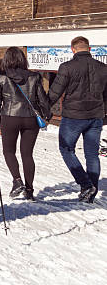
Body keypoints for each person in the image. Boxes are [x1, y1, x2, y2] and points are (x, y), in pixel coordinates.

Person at [48, 36, 107, 203]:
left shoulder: (67, 67)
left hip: (73, 117)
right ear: (89, 49)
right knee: (92, 155)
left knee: (66, 149)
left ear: (73, 49)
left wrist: (42, 109)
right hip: (96, 116)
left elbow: (54, 93)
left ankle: (86, 184)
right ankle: (91, 193)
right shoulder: (104, 68)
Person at [0, 47, 52, 201]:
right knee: (27, 154)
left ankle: (17, 180)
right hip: (30, 118)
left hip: (9, 117)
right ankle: (30, 191)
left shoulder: (0, 77)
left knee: (9, 151)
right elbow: (42, 99)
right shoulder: (34, 76)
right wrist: (47, 115)